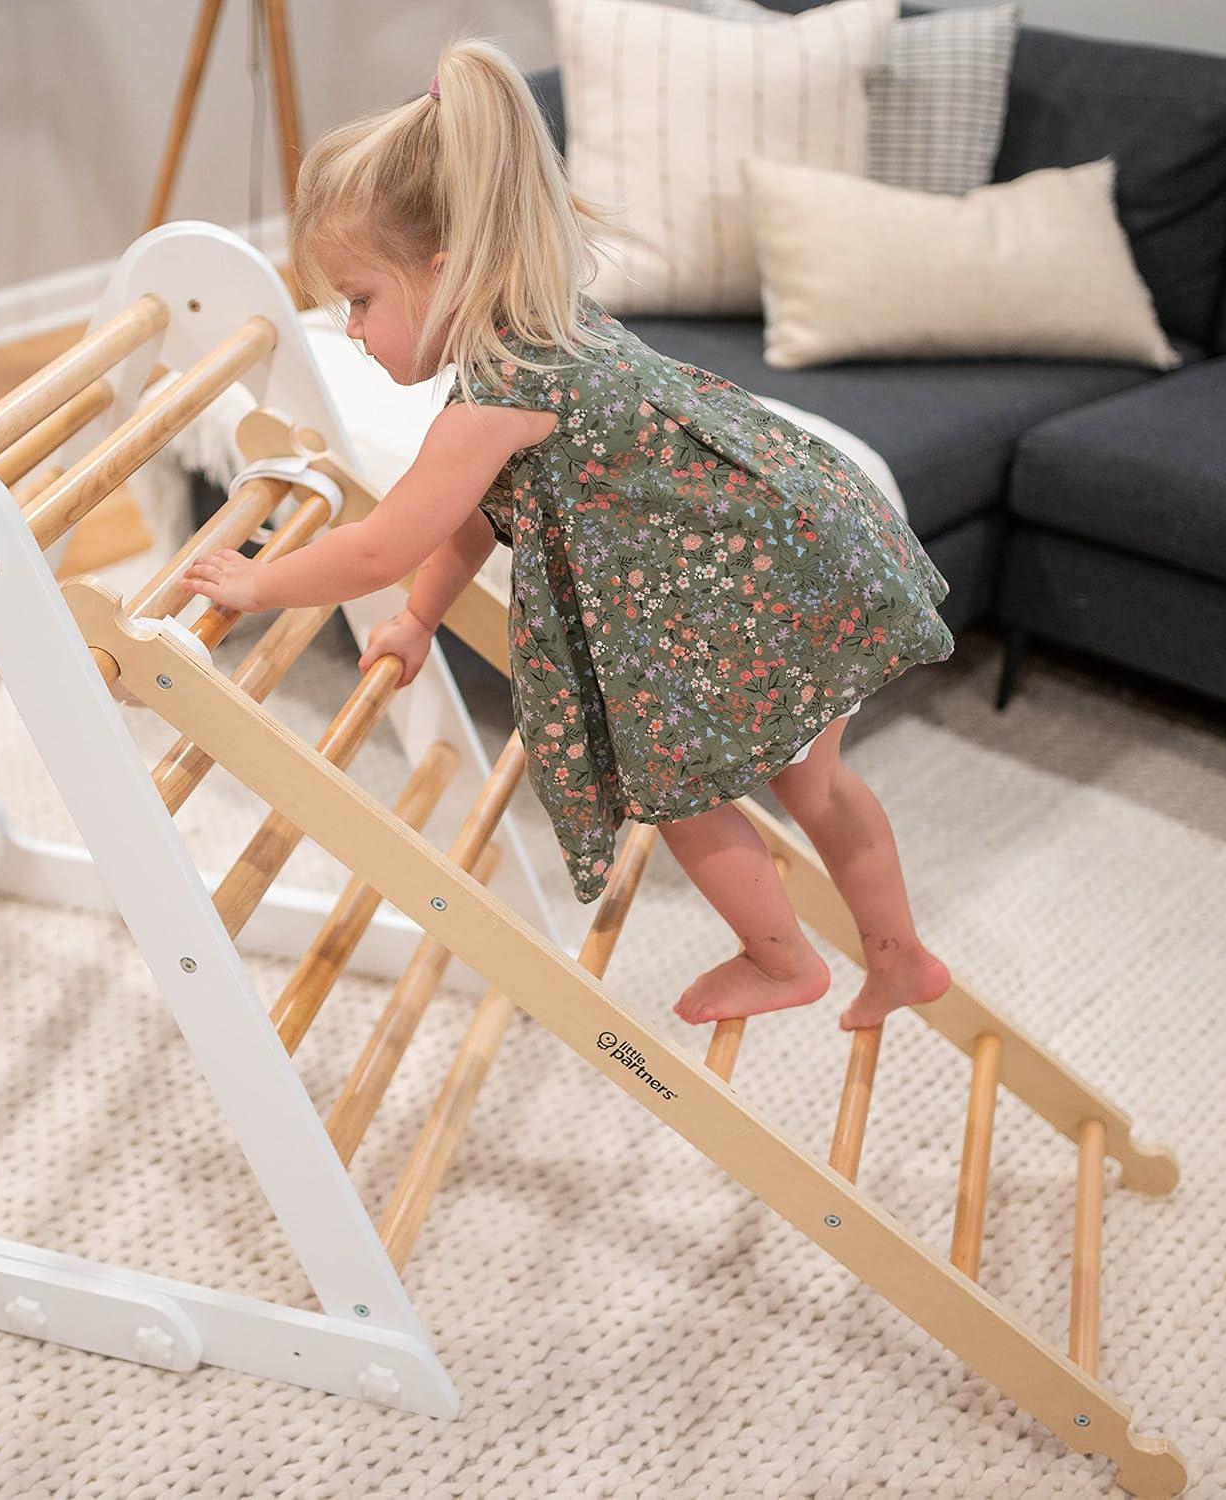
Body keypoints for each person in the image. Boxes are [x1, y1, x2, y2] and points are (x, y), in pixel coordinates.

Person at [183, 38, 956, 1032]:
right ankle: (901, 961)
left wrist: (256, 582)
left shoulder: (498, 396)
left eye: (361, 301)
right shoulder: (546, 331)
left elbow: (384, 541)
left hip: (752, 574)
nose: (354, 331)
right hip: (811, 533)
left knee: (674, 788)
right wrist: (418, 623)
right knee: (817, 780)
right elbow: (470, 521)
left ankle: (782, 960)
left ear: (444, 269)